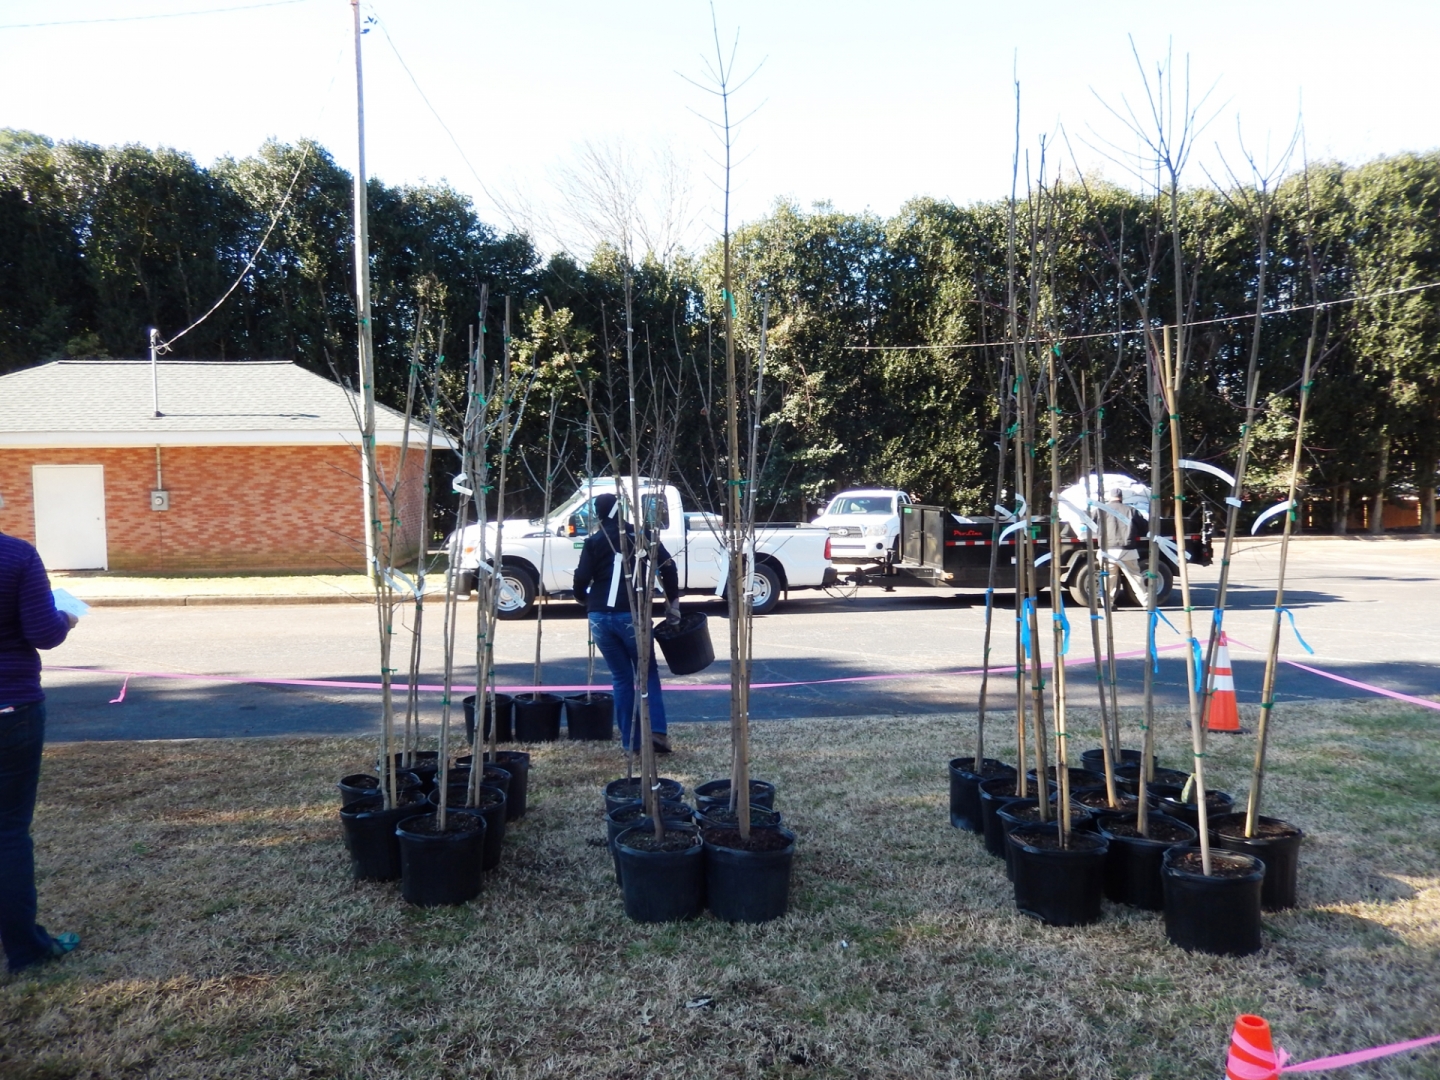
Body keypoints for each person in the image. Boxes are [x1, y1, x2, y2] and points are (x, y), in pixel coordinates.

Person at [0, 492, 80, 974]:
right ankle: (25, 950)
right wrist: (68, 615)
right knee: (7, 832)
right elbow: (45, 633)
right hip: (11, 711)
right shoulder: (16, 555)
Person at [573, 492, 680, 754]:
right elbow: (668, 566)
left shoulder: (594, 541)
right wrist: (672, 602)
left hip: (599, 616)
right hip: (631, 614)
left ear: (597, 514)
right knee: (647, 674)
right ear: (624, 511)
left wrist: (583, 601)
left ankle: (630, 742)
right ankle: (656, 732)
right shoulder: (642, 536)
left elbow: (580, 578)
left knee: (621, 677)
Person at [1100, 486, 1147, 604]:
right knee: (1135, 577)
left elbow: (1089, 523)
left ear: (1110, 498)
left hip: (1108, 551)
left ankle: (1107, 603)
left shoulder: (1102, 510)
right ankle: (1146, 602)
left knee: (1108, 578)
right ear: (1121, 498)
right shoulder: (1131, 510)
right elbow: (1144, 526)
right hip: (1128, 550)